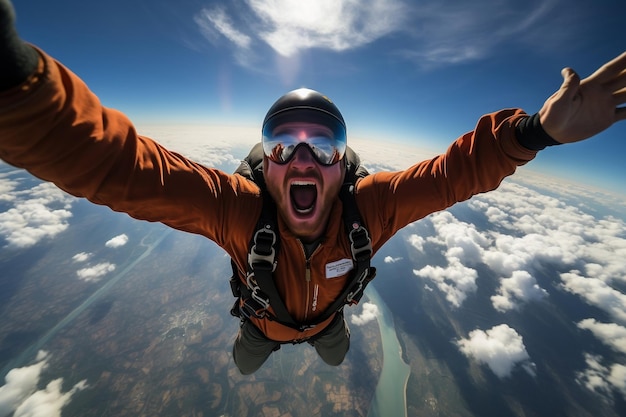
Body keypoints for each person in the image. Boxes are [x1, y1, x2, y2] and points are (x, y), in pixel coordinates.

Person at [1, 0, 625, 375]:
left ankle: (323, 341)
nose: (302, 158)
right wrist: (14, 83)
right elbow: (122, 168)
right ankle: (271, 346)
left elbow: (451, 174)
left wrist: (538, 131)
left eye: (321, 147)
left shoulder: (370, 207)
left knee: (334, 353)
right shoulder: (235, 210)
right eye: (283, 143)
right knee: (245, 365)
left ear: (341, 163)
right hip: (260, 326)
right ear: (265, 165)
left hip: (328, 323)